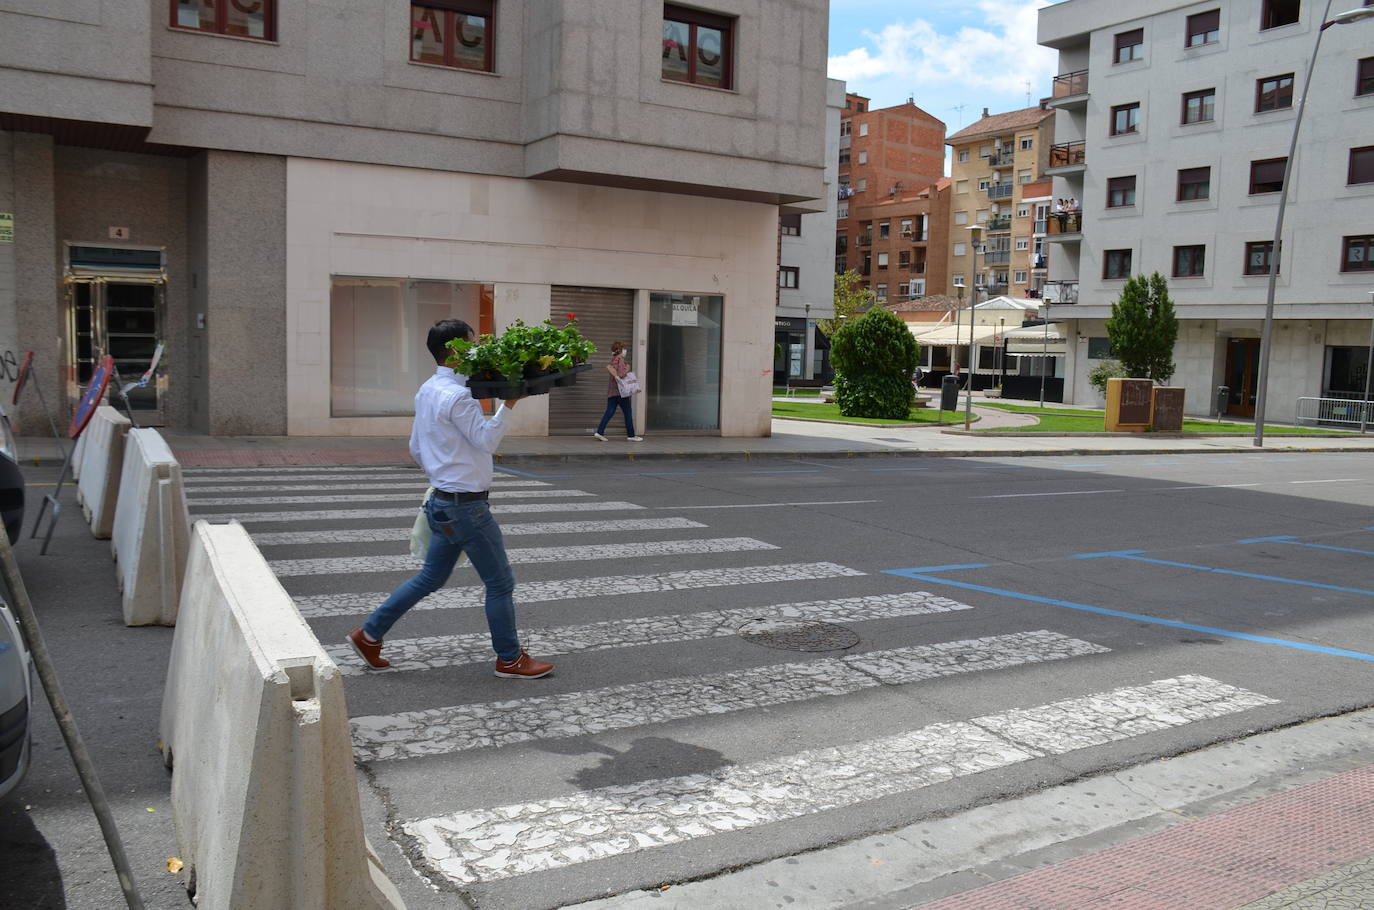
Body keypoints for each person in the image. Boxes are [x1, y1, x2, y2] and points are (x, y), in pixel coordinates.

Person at [347, 318, 553, 679]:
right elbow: (487, 441)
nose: (477, 349)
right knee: (500, 583)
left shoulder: (428, 389)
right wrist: (509, 404)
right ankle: (509, 658)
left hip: (443, 502)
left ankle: (370, 634)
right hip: (467, 507)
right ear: (458, 349)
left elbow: (414, 447)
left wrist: (442, 475)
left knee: (429, 578)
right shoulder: (459, 395)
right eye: (473, 343)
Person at [594, 340, 644, 442]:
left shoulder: (613, 360)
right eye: (624, 349)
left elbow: (614, 373)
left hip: (612, 392)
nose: (625, 351)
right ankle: (631, 435)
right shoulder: (619, 360)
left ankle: (599, 432)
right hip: (621, 392)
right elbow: (621, 374)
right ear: (620, 350)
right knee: (628, 413)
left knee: (609, 412)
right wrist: (627, 368)